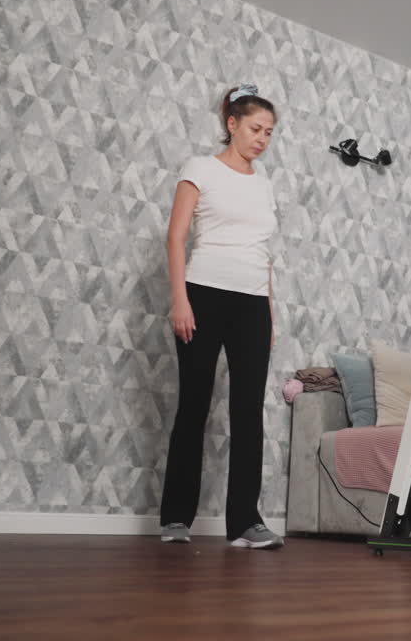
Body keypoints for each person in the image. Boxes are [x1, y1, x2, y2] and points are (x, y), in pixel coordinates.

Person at [159, 83, 284, 548]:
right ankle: (176, 518)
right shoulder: (200, 169)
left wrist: (268, 313)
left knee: (249, 411)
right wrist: (180, 300)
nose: (262, 139)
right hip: (203, 293)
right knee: (194, 405)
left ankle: (245, 524)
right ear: (231, 124)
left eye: (270, 133)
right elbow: (176, 238)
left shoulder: (265, 184)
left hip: (252, 302)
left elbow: (263, 253)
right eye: (256, 128)